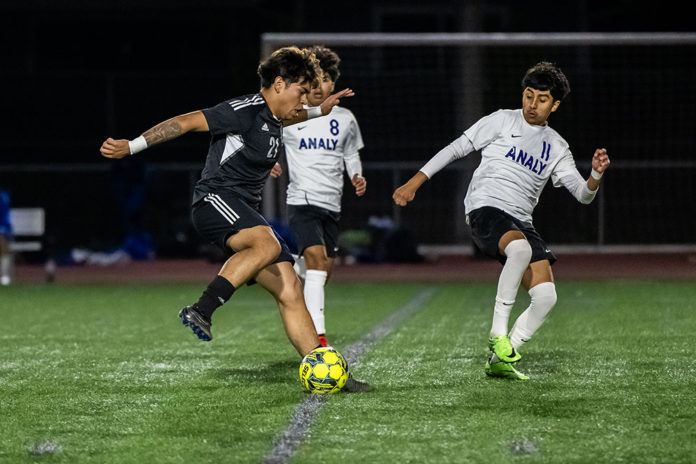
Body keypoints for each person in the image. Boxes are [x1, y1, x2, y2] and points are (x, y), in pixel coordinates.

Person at [100, 46, 369, 391]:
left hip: (243, 211)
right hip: (214, 200)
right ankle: (203, 307)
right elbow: (184, 122)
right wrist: (132, 146)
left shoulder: (276, 118)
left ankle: (329, 373)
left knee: (290, 287)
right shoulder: (243, 110)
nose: (303, 100)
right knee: (267, 243)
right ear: (278, 84)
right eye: (300, 91)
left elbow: (293, 117)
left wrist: (319, 109)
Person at [393, 61, 610, 380]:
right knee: (520, 252)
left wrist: (594, 175)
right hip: (486, 206)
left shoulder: (557, 147)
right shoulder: (501, 120)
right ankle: (498, 333)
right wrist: (415, 181)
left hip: (521, 221)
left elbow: (582, 194)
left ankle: (500, 358)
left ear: (555, 104)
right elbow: (457, 148)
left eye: (542, 99)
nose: (532, 104)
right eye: (528, 95)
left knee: (546, 297)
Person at [271, 46, 366, 348]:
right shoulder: (293, 116)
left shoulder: (346, 119)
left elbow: (350, 151)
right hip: (302, 200)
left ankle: (284, 272)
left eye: (324, 78)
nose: (317, 85)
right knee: (316, 262)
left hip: (331, 203)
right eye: (312, 79)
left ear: (333, 83)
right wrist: (268, 159)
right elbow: (266, 136)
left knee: (323, 269)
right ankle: (319, 340)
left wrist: (356, 174)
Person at [0, 190, 12, 286]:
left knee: (4, 251)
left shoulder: (3, 196)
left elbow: (5, 217)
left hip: (3, 231)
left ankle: (4, 276)